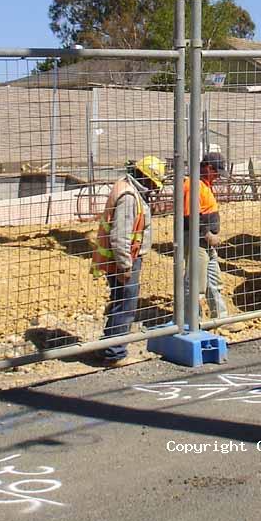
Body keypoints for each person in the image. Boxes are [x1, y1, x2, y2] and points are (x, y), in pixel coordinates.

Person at [90, 154, 165, 366]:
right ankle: (115, 352)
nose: (154, 189)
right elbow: (119, 235)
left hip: (123, 258)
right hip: (123, 260)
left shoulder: (126, 188)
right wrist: (125, 266)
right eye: (153, 183)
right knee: (125, 305)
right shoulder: (129, 196)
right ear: (145, 178)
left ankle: (107, 347)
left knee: (119, 303)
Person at [183, 152, 229, 319]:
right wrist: (207, 234)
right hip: (197, 240)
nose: (217, 177)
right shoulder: (193, 185)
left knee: (214, 281)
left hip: (205, 243)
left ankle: (221, 318)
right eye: (216, 172)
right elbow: (191, 217)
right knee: (196, 283)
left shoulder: (204, 184)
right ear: (208, 168)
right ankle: (192, 321)